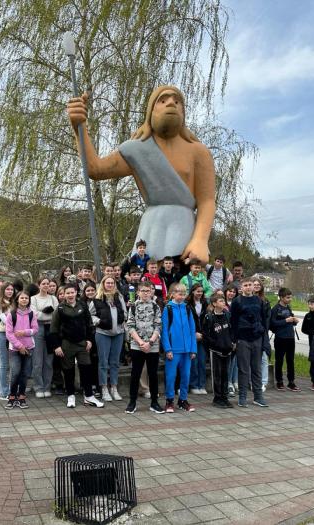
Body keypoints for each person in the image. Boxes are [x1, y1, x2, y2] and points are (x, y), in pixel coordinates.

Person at [67, 85, 216, 264]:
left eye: (177, 102)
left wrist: (200, 239)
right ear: (151, 111)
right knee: (145, 271)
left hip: (185, 226)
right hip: (152, 225)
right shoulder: (137, 149)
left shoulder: (199, 151)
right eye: (163, 100)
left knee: (183, 274)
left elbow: (207, 201)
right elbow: (95, 169)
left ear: (183, 113)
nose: (171, 103)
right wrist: (79, 128)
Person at [50, 284, 104, 408]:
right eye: (67, 293)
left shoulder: (82, 305)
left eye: (72, 292)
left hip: (82, 343)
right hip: (66, 344)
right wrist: (56, 346)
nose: (70, 295)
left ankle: (89, 396)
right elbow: (53, 329)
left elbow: (89, 324)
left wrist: (89, 340)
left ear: (76, 293)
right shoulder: (60, 308)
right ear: (64, 294)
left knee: (86, 369)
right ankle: (71, 396)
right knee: (68, 371)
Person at [125, 281, 164, 414]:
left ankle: (154, 402)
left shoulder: (155, 307)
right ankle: (132, 402)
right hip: (137, 345)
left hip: (152, 345)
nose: (146, 293)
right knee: (135, 374)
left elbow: (158, 326)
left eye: (148, 291)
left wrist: (150, 342)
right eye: (143, 291)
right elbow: (130, 326)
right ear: (138, 292)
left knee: (153, 374)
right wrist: (140, 342)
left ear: (151, 292)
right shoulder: (133, 307)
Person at [230, 278, 268, 408]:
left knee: (256, 369)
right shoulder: (237, 301)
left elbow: (263, 320)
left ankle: (258, 396)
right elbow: (233, 322)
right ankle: (242, 397)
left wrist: (264, 338)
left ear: (253, 286)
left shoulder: (259, 301)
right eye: (245, 285)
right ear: (241, 287)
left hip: (257, 338)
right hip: (242, 339)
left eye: (250, 285)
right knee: (243, 369)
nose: (248, 287)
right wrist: (234, 340)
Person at [161, 283, 197, 413]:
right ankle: (169, 401)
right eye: (179, 294)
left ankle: (183, 400)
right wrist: (168, 349)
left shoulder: (187, 308)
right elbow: (164, 331)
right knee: (171, 376)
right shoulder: (168, 309)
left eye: (184, 294)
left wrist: (193, 349)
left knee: (186, 376)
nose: (182, 296)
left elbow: (192, 329)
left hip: (187, 350)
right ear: (173, 294)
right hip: (173, 350)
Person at [91, 276, 128, 401]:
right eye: (108, 283)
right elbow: (90, 315)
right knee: (103, 362)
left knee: (115, 362)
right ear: (103, 284)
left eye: (112, 283)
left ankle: (114, 387)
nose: (110, 285)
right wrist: (98, 321)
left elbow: (125, 312)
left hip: (118, 333)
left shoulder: (119, 297)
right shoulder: (97, 298)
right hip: (103, 333)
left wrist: (122, 320)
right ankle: (104, 388)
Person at [2, 291, 39, 409]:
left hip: (29, 348)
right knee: (15, 373)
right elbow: (9, 333)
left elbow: (35, 329)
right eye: (22, 298)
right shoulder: (11, 314)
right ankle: (12, 396)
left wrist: (25, 332)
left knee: (25, 374)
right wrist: (19, 346)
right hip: (15, 349)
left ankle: (22, 396)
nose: (24, 300)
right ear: (17, 299)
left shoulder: (32, 314)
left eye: (26, 298)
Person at [202, 293, 234, 408]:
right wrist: (215, 344)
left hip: (227, 350)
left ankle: (225, 397)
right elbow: (206, 335)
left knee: (225, 374)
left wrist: (232, 342)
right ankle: (217, 398)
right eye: (220, 301)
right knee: (217, 375)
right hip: (215, 351)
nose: (223, 302)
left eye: (223, 300)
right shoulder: (209, 317)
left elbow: (232, 330)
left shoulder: (228, 315)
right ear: (214, 303)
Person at [31, 276, 59, 398]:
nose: (46, 285)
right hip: (37, 328)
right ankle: (39, 387)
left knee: (48, 360)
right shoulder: (33, 299)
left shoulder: (53, 298)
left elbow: (56, 314)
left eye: (48, 283)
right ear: (39, 285)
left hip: (50, 328)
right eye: (43, 283)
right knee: (37, 361)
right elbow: (34, 315)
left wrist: (43, 313)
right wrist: (46, 313)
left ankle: (47, 387)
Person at [270, 287, 300, 392]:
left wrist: (294, 321)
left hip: (290, 337)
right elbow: (272, 324)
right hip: (280, 338)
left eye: (290, 297)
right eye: (288, 297)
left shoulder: (288, 308)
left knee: (290, 360)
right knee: (279, 360)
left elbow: (291, 322)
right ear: (281, 297)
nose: (290, 299)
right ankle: (279, 381)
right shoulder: (275, 309)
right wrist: (285, 321)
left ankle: (291, 382)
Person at [186, 283, 209, 395]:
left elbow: (208, 321)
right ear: (192, 291)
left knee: (202, 361)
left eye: (201, 291)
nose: (200, 293)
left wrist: (203, 334)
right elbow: (186, 322)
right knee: (193, 362)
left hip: (203, 336)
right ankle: (194, 385)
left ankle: (202, 385)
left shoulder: (205, 303)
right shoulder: (187, 304)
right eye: (197, 291)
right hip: (192, 336)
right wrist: (194, 333)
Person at [0, 283, 14, 401]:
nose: (10, 291)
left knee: (13, 364)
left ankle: (12, 389)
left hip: (14, 335)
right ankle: (4, 392)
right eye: (7, 289)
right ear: (3, 291)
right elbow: (6, 321)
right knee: (4, 364)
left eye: (11, 289)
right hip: (2, 334)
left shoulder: (15, 304)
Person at [81, 282, 101, 397]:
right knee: (86, 362)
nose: (90, 292)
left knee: (95, 361)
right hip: (85, 335)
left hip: (97, 333)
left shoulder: (100, 301)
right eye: (88, 290)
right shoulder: (81, 303)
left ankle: (96, 385)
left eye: (92, 290)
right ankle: (86, 386)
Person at [253, 278, 272, 392]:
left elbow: (268, 318)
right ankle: (253, 381)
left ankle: (263, 382)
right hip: (250, 333)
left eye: (258, 285)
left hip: (262, 333)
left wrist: (264, 329)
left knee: (264, 358)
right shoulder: (246, 299)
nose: (256, 286)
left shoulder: (265, 301)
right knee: (251, 358)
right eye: (254, 284)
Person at [223, 284, 239, 396]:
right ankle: (228, 382)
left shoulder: (237, 303)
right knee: (230, 360)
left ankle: (234, 381)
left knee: (235, 359)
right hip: (226, 335)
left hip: (237, 333)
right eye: (229, 291)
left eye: (234, 292)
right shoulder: (222, 304)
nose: (231, 293)